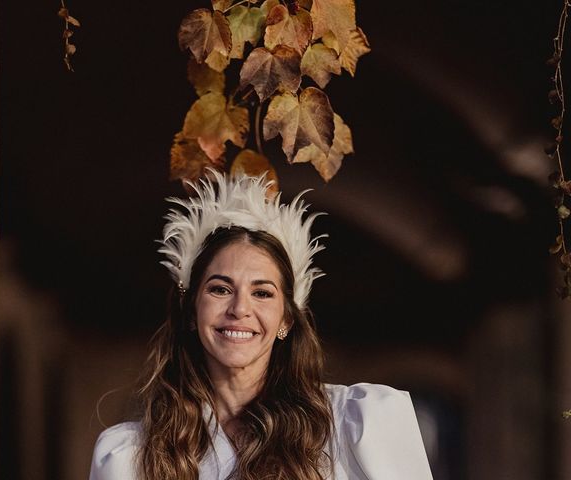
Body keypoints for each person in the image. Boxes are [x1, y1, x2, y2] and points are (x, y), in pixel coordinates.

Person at [89, 172, 434, 480]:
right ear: (192, 312)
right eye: (220, 289)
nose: (240, 309)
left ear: (286, 319)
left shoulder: (353, 425)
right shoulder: (131, 456)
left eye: (262, 293)